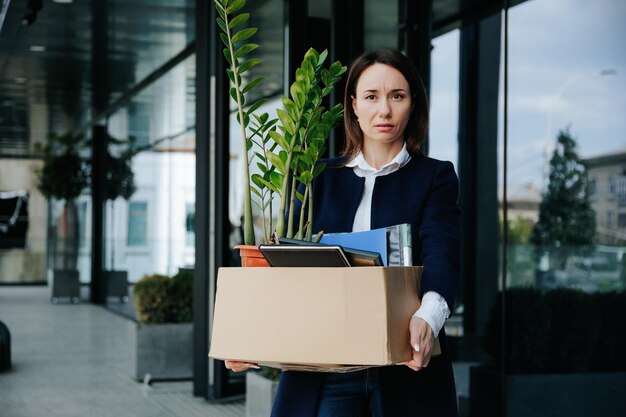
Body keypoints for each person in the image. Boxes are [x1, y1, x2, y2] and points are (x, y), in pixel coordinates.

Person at [226, 48, 460, 417]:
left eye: (397, 96)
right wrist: (250, 331)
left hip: (404, 362)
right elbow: (285, 263)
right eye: (371, 97)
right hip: (323, 367)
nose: (384, 110)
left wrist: (427, 319)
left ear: (413, 104)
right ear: (353, 105)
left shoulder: (435, 176)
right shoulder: (315, 177)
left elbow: (441, 253)